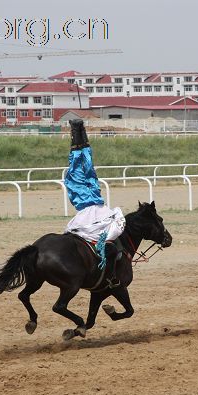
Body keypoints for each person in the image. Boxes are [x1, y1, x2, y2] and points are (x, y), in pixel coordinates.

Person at [64, 119, 126, 287]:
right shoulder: (76, 183)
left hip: (93, 203)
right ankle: (78, 128)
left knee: (82, 163)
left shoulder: (76, 183)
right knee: (82, 162)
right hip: (94, 206)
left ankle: (78, 128)